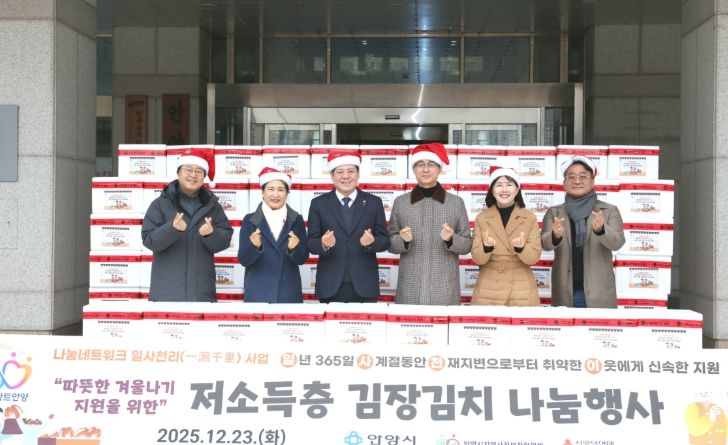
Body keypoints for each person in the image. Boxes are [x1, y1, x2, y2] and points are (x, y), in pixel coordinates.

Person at [142, 149, 233, 302]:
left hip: (201, 293)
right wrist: (172, 229)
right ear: (178, 173)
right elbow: (149, 240)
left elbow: (224, 241)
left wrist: (211, 234)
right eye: (188, 169)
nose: (193, 175)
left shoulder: (213, 206)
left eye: (199, 171)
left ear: (204, 176)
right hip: (167, 293)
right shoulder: (160, 204)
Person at [388, 142, 471, 305]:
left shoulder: (456, 203)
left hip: (444, 288)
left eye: (431, 164)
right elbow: (389, 243)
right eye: (420, 164)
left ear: (439, 169)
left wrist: (451, 239)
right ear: (413, 169)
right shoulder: (401, 202)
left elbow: (467, 245)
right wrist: (403, 240)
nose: (425, 169)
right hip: (410, 287)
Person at [541, 156, 625, 308]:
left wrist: (602, 230)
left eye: (583, 176)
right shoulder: (554, 212)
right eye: (571, 177)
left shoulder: (609, 210)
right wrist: (554, 236)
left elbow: (618, 243)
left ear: (593, 181)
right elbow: (545, 245)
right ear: (564, 183)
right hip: (565, 291)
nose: (577, 181)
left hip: (598, 292)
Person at [305, 151, 390, 303]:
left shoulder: (373, 202)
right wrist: (323, 244)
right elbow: (310, 242)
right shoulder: (319, 204)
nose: (345, 176)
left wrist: (372, 242)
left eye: (351, 171)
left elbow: (385, 240)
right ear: (332, 176)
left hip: (365, 284)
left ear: (358, 174)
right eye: (340, 172)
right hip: (330, 283)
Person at [471, 166, 542, 306]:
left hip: (521, 287)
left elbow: (534, 258)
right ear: (492, 190)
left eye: (509, 184)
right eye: (499, 185)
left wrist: (522, 248)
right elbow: (477, 259)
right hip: (488, 287)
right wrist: (486, 248)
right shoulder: (481, 218)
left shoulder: (529, 218)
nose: (504, 190)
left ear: (517, 189)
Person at [237, 167, 308, 303]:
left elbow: (302, 259)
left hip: (288, 294)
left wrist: (293, 249)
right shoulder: (249, 220)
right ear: (262, 192)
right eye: (270, 189)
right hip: (258, 294)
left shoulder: (296, 219)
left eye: (280, 190)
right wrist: (255, 247)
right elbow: (244, 260)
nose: (275, 195)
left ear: (287, 193)